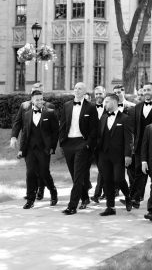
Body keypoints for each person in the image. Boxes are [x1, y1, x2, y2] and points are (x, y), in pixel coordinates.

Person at [10, 83, 55, 201]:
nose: (36, 93)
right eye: (34, 91)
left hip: (43, 146)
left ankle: (42, 190)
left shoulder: (49, 107)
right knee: (31, 170)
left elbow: (53, 129)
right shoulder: (24, 106)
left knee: (43, 171)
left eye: (39, 91)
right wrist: (14, 137)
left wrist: (52, 145)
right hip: (29, 145)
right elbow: (17, 122)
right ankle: (31, 194)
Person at [59, 82, 98, 215]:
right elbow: (63, 125)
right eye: (75, 88)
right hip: (68, 143)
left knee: (78, 175)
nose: (77, 90)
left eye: (80, 88)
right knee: (74, 175)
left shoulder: (91, 107)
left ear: (85, 91)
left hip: (82, 143)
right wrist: (62, 142)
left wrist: (88, 144)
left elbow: (94, 129)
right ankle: (85, 197)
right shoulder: (67, 105)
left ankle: (72, 206)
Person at [17, 90, 59, 209]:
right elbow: (25, 133)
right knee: (30, 173)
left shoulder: (50, 113)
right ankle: (30, 199)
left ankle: (53, 191)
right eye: (37, 99)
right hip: (30, 149)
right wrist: (21, 149)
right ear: (32, 101)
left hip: (44, 149)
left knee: (44, 173)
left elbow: (55, 132)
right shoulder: (27, 114)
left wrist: (52, 147)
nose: (40, 101)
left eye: (41, 99)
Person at [97, 93, 133, 216]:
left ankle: (128, 196)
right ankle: (110, 207)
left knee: (119, 179)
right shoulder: (103, 118)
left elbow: (129, 139)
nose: (104, 104)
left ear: (114, 102)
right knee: (107, 180)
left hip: (119, 155)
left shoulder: (125, 118)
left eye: (106, 102)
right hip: (104, 154)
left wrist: (128, 155)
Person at [130, 82, 152, 208]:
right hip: (140, 146)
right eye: (144, 90)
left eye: (149, 90)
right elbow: (134, 128)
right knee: (138, 172)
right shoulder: (137, 107)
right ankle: (135, 199)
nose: (146, 92)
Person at [113, 84, 135, 197]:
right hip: (115, 143)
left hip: (128, 142)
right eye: (115, 93)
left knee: (130, 170)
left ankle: (131, 193)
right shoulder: (111, 108)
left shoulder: (132, 107)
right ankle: (115, 190)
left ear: (123, 92)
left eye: (119, 92)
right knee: (116, 169)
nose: (117, 94)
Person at [91, 85, 106, 203]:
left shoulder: (109, 108)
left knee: (102, 168)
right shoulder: (90, 108)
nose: (98, 96)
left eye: (100, 93)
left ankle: (97, 194)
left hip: (106, 144)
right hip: (92, 144)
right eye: (96, 94)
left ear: (104, 94)